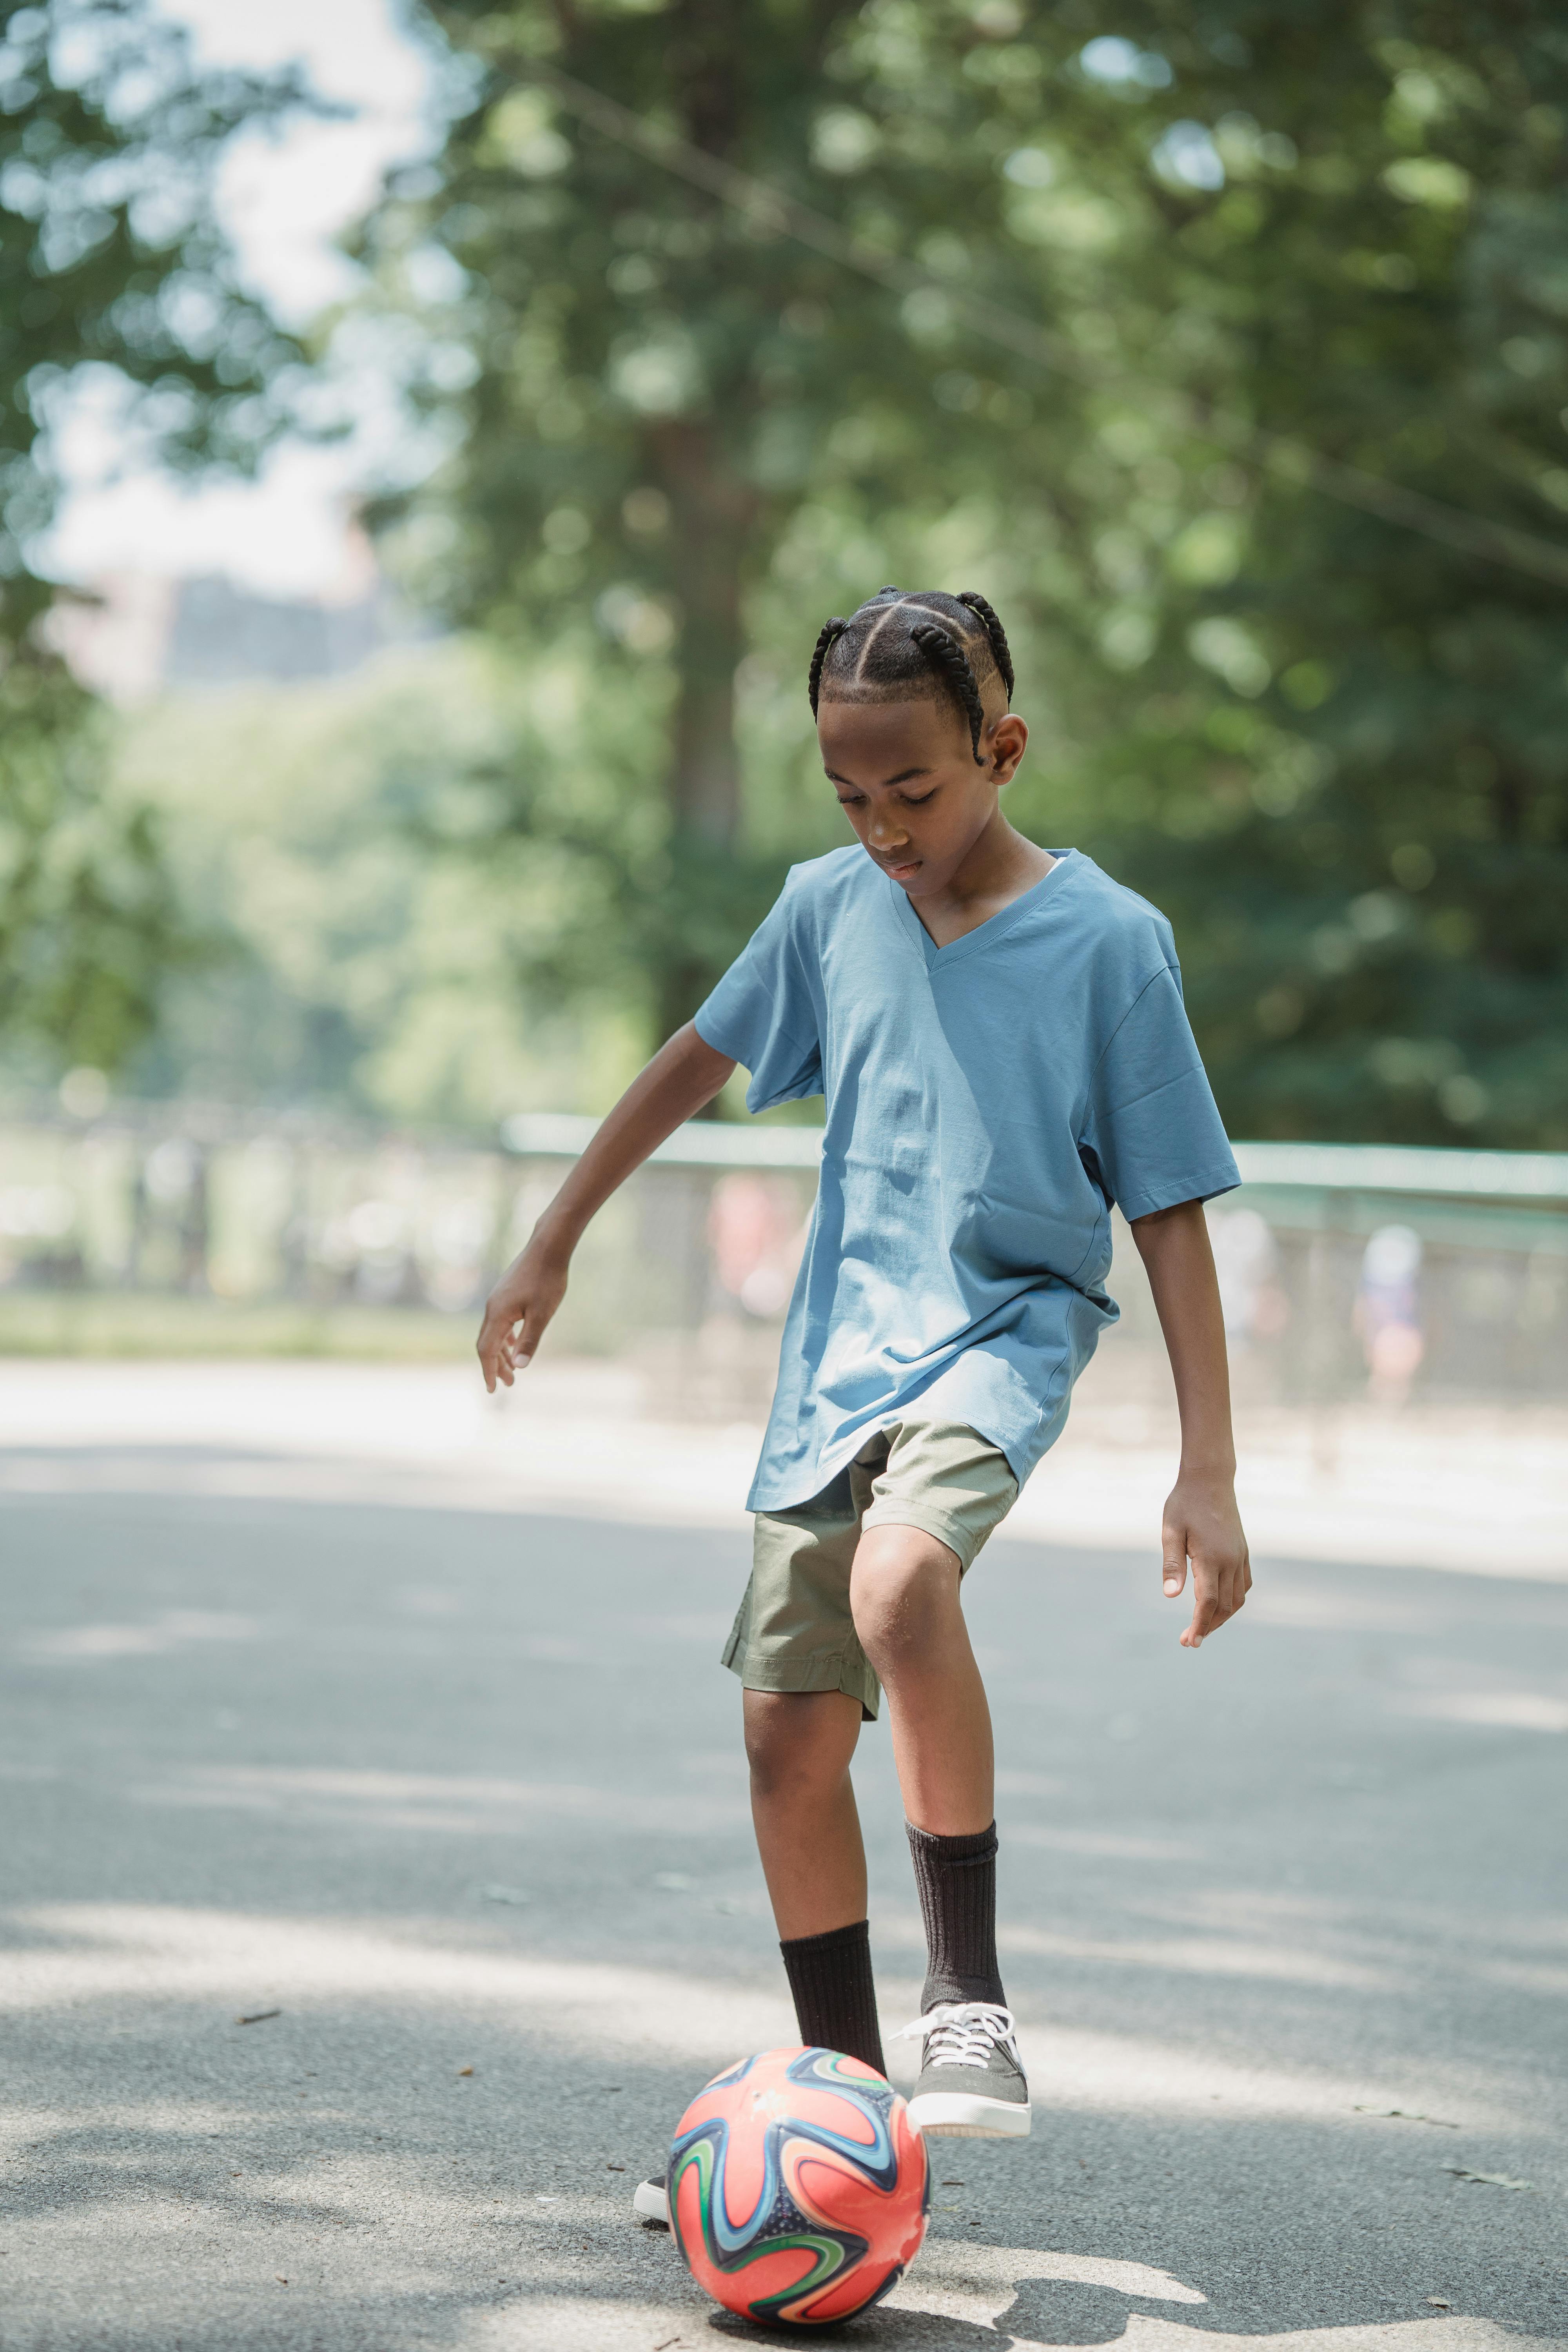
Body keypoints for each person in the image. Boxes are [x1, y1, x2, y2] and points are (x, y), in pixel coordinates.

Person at [476, 585, 1252, 2218]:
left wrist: (1208, 1471)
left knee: (905, 1585)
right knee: (780, 1740)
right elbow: (691, 1061)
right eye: (848, 792)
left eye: (915, 789)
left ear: (1003, 749)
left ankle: (965, 1998)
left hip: (1003, 1336)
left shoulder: (1109, 942)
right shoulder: (829, 908)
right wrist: (549, 1240)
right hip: (835, 1365)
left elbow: (1169, 1205)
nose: (883, 826)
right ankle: (837, 2109)